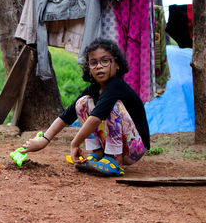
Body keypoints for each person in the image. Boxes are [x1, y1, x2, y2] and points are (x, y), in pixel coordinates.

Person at [21, 38, 150, 176]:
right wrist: (43, 141)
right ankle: (98, 153)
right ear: (88, 67)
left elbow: (95, 119)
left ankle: (115, 160)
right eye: (93, 62)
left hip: (134, 148)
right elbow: (67, 116)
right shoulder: (94, 89)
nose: (99, 66)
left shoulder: (116, 85)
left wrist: (74, 143)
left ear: (117, 65)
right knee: (82, 103)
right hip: (119, 146)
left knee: (113, 105)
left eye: (105, 61)